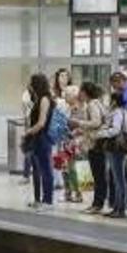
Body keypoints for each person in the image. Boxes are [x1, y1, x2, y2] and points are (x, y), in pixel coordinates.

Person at [71, 82, 108, 214]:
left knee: (98, 175)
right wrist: (81, 130)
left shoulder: (92, 104)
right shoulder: (97, 103)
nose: (78, 94)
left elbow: (96, 122)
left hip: (95, 143)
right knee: (99, 175)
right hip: (98, 142)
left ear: (85, 92)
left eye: (80, 90)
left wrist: (78, 123)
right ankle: (98, 202)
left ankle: (97, 204)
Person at [22, 73, 55, 210]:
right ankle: (41, 200)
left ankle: (48, 201)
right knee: (39, 168)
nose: (29, 85)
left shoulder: (44, 99)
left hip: (43, 137)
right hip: (39, 137)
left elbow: (41, 123)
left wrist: (28, 132)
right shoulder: (38, 99)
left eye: (31, 82)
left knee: (46, 169)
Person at [96, 91, 127, 218]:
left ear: (114, 101)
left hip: (116, 149)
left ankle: (120, 208)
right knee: (118, 178)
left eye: (110, 100)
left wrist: (101, 133)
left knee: (118, 179)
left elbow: (115, 130)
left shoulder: (117, 113)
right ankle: (117, 206)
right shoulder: (125, 112)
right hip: (121, 148)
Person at [60, 85, 83, 203]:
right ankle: (67, 192)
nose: (65, 97)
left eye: (68, 94)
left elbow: (83, 126)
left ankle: (78, 193)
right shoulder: (67, 108)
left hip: (74, 142)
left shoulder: (79, 109)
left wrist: (73, 133)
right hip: (66, 141)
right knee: (64, 167)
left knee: (72, 168)